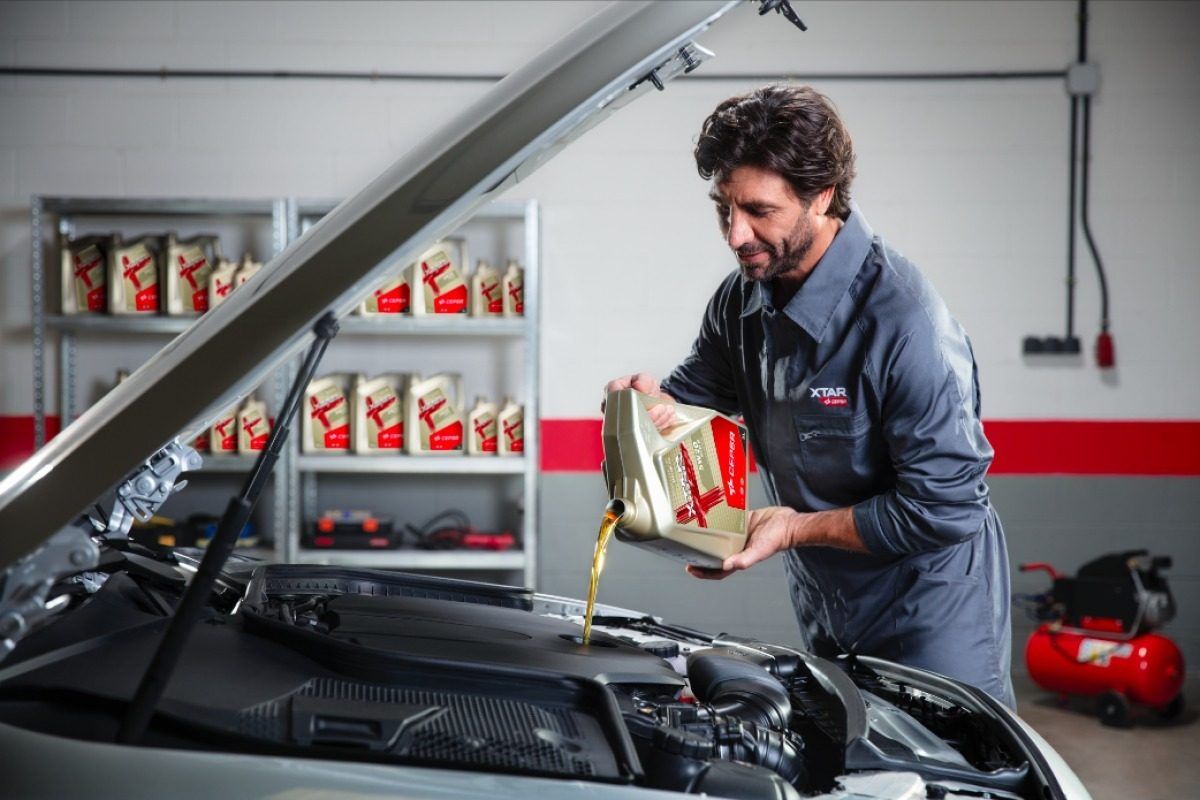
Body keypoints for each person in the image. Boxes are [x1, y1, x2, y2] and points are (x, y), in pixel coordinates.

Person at [605, 85, 1014, 708]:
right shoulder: (740, 300)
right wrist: (649, 403)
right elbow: (693, 401)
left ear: (821, 195)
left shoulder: (904, 323)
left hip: (934, 618)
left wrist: (795, 530)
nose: (735, 234)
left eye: (758, 210)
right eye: (724, 208)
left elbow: (946, 508)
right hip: (830, 605)